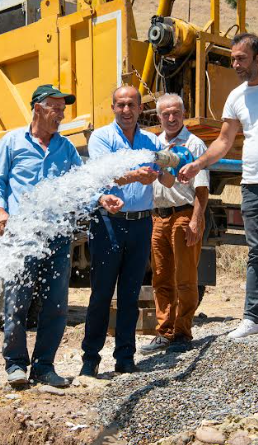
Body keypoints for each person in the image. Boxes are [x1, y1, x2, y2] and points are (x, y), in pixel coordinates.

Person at [0, 84, 114, 388]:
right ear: (37, 108)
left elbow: (81, 184)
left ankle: (44, 366)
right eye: (55, 107)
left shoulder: (66, 148)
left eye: (63, 108)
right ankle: (16, 365)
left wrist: (100, 199)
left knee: (56, 304)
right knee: (17, 301)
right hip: (22, 235)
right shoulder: (13, 142)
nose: (61, 114)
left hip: (56, 237)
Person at [179, 33, 258, 339]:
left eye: (241, 58)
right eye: (233, 58)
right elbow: (224, 140)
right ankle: (252, 317)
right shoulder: (236, 96)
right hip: (252, 184)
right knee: (256, 252)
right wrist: (199, 163)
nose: (235, 64)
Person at [80, 85, 175, 377]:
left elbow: (168, 181)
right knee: (102, 293)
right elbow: (102, 174)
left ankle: (125, 358)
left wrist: (170, 171)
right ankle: (90, 358)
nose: (126, 110)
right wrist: (136, 175)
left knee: (130, 295)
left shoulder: (151, 141)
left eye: (131, 105)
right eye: (120, 105)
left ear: (139, 109)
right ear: (113, 108)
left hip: (141, 223)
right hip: (110, 222)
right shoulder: (101, 138)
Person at [140, 94, 209, 355]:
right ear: (158, 117)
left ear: (183, 113)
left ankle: (182, 332)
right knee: (161, 277)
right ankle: (164, 331)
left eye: (176, 113)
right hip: (158, 215)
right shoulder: (154, 145)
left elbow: (202, 188)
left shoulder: (195, 145)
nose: (171, 118)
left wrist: (196, 220)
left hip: (183, 213)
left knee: (185, 277)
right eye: (165, 113)